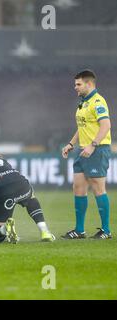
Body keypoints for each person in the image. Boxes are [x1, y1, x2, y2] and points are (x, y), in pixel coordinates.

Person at [61, 70, 112, 239]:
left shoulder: (98, 101)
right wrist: (70, 143)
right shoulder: (83, 102)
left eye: (78, 84)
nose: (75, 87)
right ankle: (79, 230)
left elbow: (106, 125)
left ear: (89, 84)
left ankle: (106, 230)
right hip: (83, 150)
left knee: (98, 188)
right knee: (78, 187)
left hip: (97, 150)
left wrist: (92, 145)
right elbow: (82, 127)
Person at [0, 153, 55, 243]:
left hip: (3, 192)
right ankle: (45, 231)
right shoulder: (3, 162)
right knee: (31, 198)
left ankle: (5, 229)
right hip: (22, 184)